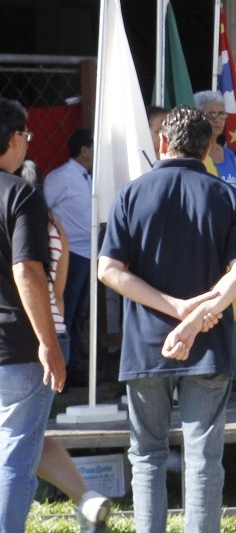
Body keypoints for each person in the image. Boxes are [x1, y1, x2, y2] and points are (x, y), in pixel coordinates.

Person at [97, 106, 236, 533]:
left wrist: (174, 308)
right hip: (208, 344)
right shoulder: (224, 195)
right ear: (207, 149)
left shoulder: (130, 195)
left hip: (145, 344)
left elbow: (108, 271)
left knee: (147, 455)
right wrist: (199, 313)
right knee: (203, 457)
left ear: (162, 142)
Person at [20, 161, 111, 532]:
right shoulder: (56, 227)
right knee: (29, 436)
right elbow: (57, 295)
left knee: (21, 437)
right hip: (52, 332)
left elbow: (24, 278)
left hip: (19, 338)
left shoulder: (14, 221)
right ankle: (87, 498)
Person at [0, 100, 65, 533]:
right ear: (13, 138)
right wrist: (49, 342)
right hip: (16, 346)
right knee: (15, 458)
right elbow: (27, 270)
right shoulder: (20, 193)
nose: (27, 143)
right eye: (26, 134)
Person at [42, 128, 93, 381]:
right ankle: (63, 366)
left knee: (79, 312)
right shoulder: (61, 177)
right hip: (69, 254)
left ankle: (73, 365)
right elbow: (43, 208)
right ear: (84, 150)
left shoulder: (89, 177)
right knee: (67, 311)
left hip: (89, 252)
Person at [193, 90, 236, 192]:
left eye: (221, 114)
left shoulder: (229, 155)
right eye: (211, 115)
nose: (217, 120)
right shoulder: (192, 155)